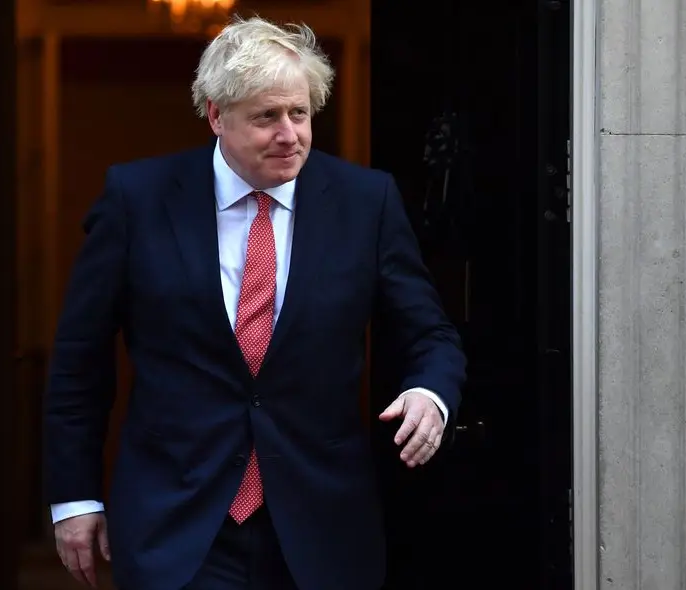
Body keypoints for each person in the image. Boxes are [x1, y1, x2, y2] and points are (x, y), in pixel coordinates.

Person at [43, 15, 467, 590]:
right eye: (267, 117)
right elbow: (79, 361)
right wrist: (74, 498)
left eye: (300, 113)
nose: (289, 134)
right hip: (177, 522)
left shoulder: (365, 203)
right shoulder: (136, 200)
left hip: (321, 526)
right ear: (217, 116)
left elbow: (430, 333)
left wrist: (430, 392)